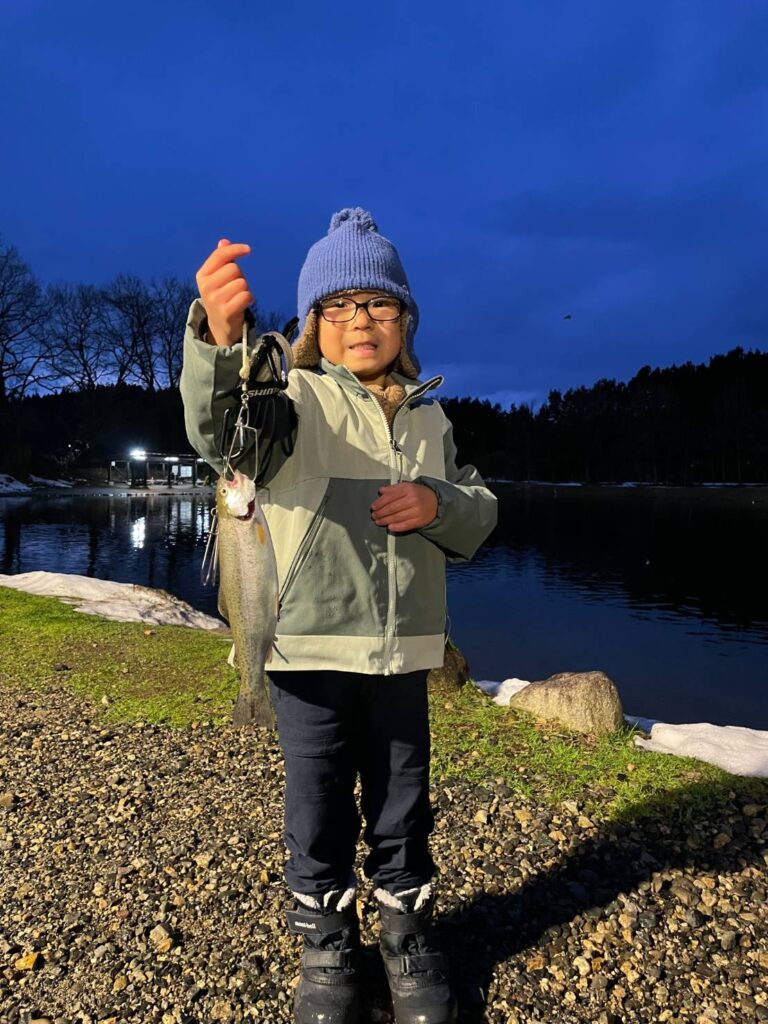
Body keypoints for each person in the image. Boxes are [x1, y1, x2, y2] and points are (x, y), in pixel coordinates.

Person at [180, 208, 497, 1024]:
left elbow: (480, 509)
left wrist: (436, 503)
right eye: (340, 305)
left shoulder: (430, 415)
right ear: (313, 322)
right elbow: (225, 435)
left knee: (402, 805)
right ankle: (325, 944)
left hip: (403, 657)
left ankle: (406, 935)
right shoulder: (293, 400)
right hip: (306, 652)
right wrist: (221, 340)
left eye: (380, 304)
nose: (362, 320)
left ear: (405, 320)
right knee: (316, 807)